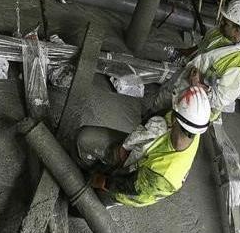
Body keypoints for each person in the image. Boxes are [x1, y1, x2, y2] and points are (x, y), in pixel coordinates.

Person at [75, 85, 210, 207]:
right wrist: (126, 146)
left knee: (82, 203)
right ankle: (95, 170)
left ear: (176, 118)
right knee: (84, 138)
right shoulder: (191, 125)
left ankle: (84, 204)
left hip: (128, 188)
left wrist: (102, 182)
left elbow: (131, 186)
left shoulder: (166, 174)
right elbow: (152, 120)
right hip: (135, 155)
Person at [158, 0, 240, 120]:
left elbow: (220, 99)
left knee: (171, 125)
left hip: (195, 106)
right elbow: (201, 47)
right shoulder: (218, 32)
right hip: (181, 83)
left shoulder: (237, 65)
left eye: (226, 23)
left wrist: (198, 84)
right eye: (223, 20)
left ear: (237, 30)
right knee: (158, 109)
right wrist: (186, 52)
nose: (221, 23)